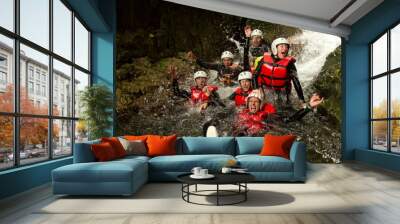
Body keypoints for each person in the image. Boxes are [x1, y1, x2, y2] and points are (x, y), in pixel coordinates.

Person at [233, 90, 323, 136]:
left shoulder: (266, 117)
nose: (253, 103)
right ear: (247, 104)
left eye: (256, 101)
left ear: (260, 105)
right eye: (251, 101)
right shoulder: (241, 115)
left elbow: (290, 120)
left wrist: (309, 107)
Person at [252, 37, 305, 105]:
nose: (285, 48)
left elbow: (296, 82)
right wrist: (255, 89)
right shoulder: (264, 59)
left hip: (282, 91)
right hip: (265, 88)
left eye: (286, 47)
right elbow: (255, 75)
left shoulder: (290, 64)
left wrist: (302, 100)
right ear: (275, 48)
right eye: (282, 46)